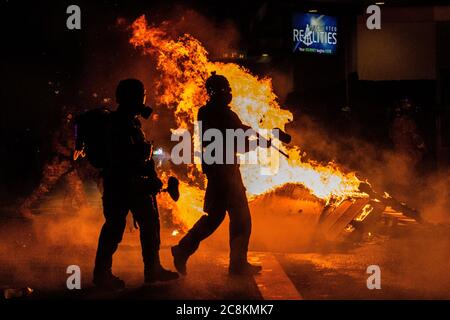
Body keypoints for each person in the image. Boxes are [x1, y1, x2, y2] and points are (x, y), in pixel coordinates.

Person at [171, 72, 267, 276]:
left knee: (218, 217)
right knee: (237, 219)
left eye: (227, 90)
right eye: (224, 90)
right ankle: (187, 251)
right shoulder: (222, 114)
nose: (227, 94)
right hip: (224, 174)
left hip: (222, 171)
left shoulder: (208, 112)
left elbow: (235, 135)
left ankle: (185, 250)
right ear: (215, 93)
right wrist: (258, 142)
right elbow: (237, 142)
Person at [93, 79, 178, 289]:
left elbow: (140, 157)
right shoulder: (118, 123)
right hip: (123, 184)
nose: (143, 100)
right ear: (132, 97)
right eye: (141, 95)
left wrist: (150, 176)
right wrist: (143, 171)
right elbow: (122, 157)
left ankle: (153, 269)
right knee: (115, 227)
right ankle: (102, 275)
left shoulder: (131, 122)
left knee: (149, 225)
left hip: (132, 184)